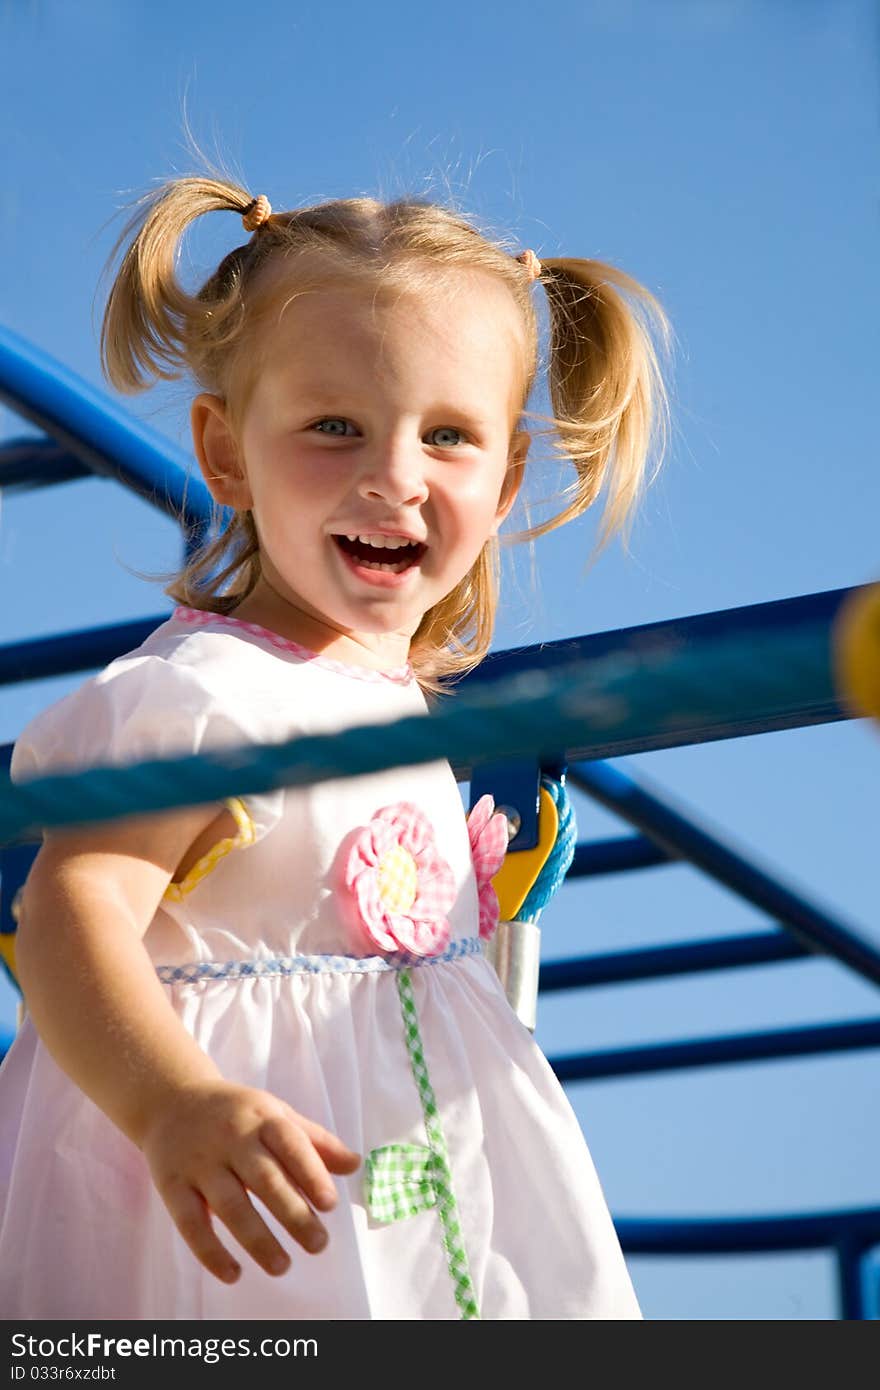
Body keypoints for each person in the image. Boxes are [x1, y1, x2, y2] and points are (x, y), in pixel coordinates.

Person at [0, 174, 672, 1319]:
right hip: (227, 1215)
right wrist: (171, 1103)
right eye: (333, 427)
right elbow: (71, 913)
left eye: (448, 435)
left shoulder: (404, 713)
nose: (394, 474)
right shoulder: (203, 697)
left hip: (418, 1204)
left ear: (504, 479)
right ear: (225, 454)